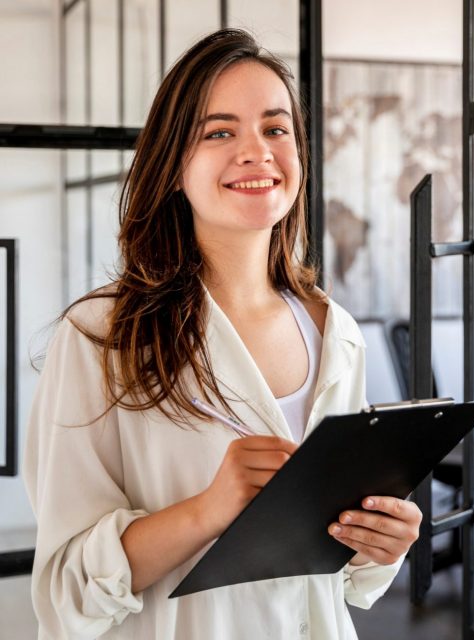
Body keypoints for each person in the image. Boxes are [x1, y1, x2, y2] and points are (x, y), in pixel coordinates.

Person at [23, 29, 421, 640]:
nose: (257, 152)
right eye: (218, 131)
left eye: (276, 128)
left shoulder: (334, 331)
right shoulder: (101, 337)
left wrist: (378, 543)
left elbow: (338, 581)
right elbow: (65, 595)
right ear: (173, 164)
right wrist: (207, 512)